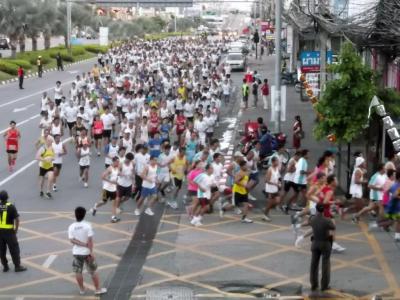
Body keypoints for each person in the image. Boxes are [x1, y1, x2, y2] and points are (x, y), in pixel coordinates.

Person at [68, 206, 107, 295]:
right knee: (93, 271)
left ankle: (82, 290)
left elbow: (71, 240)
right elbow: (90, 241)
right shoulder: (87, 225)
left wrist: (82, 244)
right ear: (84, 215)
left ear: (75, 215)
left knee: (78, 272)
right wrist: (91, 251)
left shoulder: (71, 226)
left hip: (76, 253)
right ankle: (97, 290)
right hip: (87, 253)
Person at [309, 203, 335, 292]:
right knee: (325, 265)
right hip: (325, 243)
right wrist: (331, 217)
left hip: (315, 243)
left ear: (316, 209)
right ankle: (324, 285)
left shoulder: (312, 219)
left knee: (314, 265)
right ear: (323, 210)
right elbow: (333, 227)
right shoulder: (326, 220)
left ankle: (313, 284)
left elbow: (310, 224)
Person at [0, 190, 27, 273]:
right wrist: (15, 230)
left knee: (1, 250)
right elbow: (17, 219)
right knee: (14, 249)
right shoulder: (11, 207)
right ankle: (17, 266)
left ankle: (5, 266)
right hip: (9, 232)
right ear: (7, 197)